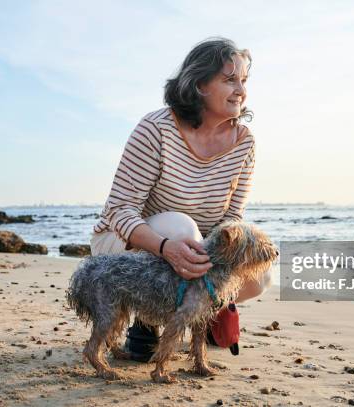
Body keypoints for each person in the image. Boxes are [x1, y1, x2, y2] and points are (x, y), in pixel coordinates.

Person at [91, 37, 272, 362]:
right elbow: (120, 210)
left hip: (193, 249)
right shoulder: (156, 128)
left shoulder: (244, 143)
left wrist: (216, 265)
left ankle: (194, 310)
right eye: (229, 79)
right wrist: (165, 248)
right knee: (180, 227)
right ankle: (145, 318)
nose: (241, 90)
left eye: (244, 81)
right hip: (124, 245)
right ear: (200, 84)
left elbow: (232, 218)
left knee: (259, 276)